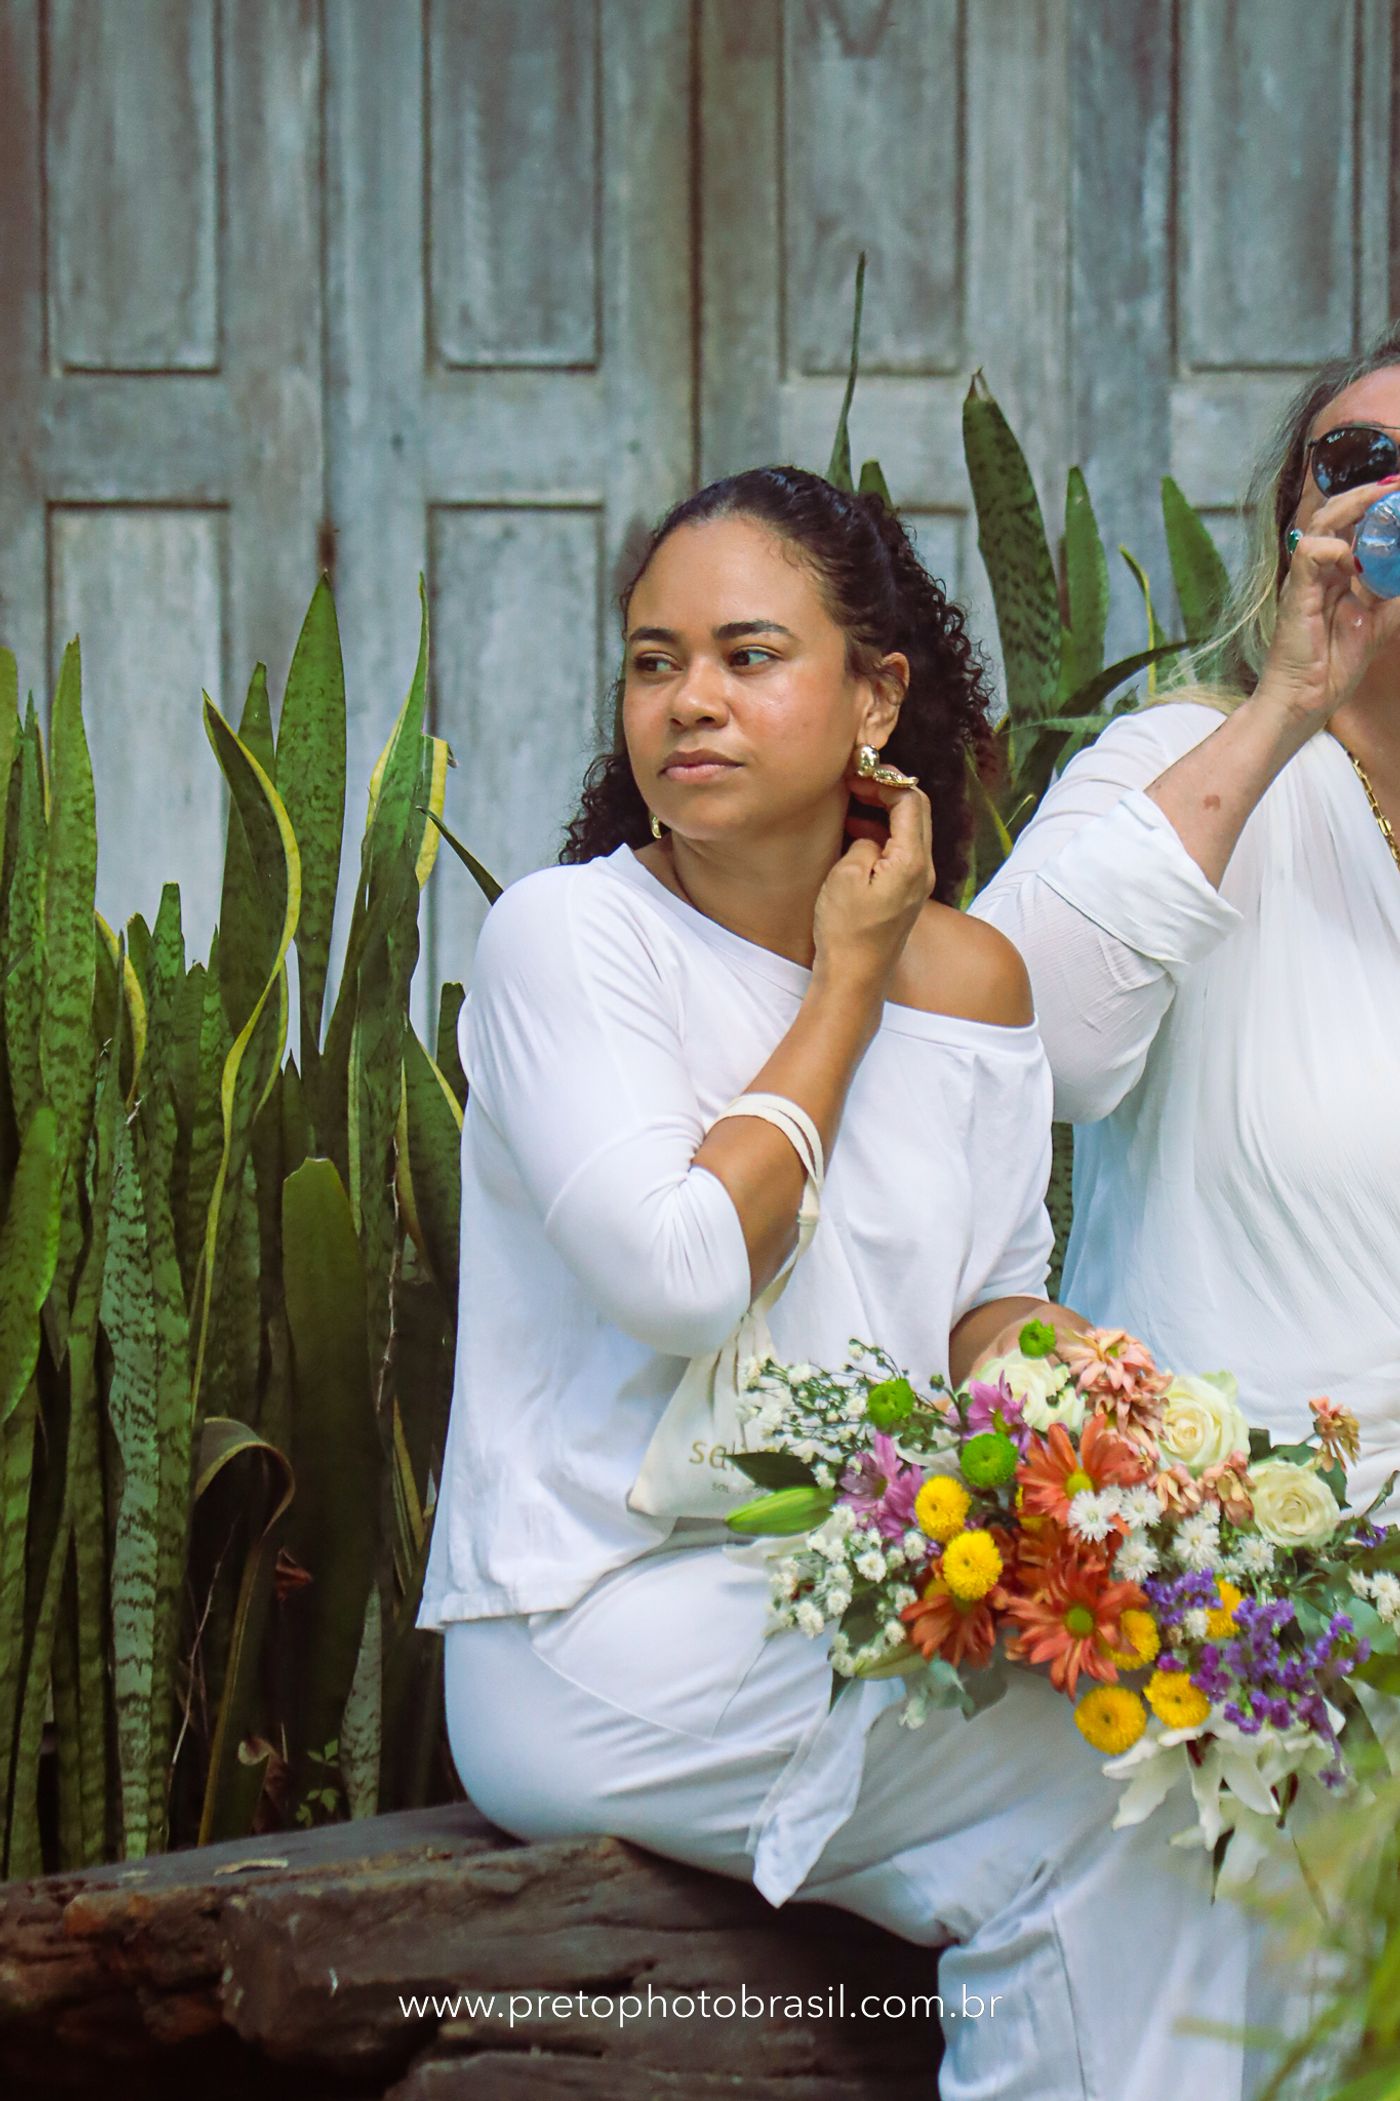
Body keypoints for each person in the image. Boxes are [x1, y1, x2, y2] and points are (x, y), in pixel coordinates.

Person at [418, 466, 1297, 2099]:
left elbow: (981, 1307)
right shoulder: (568, 941)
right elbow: (687, 1274)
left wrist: (1117, 1439)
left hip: (869, 1582)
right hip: (596, 1624)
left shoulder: (976, 981)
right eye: (655, 662)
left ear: (877, 697)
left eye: (749, 655)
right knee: (1115, 1773)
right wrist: (847, 978)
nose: (691, 699)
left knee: (1204, 1713)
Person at [971, 329, 1400, 1520]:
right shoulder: (1176, 759)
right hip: (1222, 1575)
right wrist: (1284, 706)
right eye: (1354, 461)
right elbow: (1033, 1048)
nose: (1389, 494)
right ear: (1292, 528)